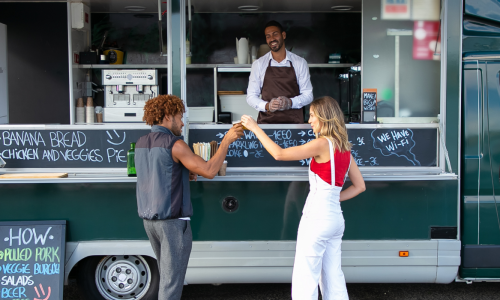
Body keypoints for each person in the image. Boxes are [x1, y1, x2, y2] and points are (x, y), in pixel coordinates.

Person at [241, 96, 366, 299]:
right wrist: (332, 198)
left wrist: (255, 128)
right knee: (333, 276)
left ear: (324, 118)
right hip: (335, 219)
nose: (309, 121)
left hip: (317, 219)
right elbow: (360, 186)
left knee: (305, 278)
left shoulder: (322, 144)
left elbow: (279, 154)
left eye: (312, 116)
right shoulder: (345, 148)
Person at [135, 94, 243, 300]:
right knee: (171, 285)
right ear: (168, 116)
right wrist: (227, 140)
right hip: (172, 223)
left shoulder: (141, 143)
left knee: (167, 278)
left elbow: (159, 174)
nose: (183, 122)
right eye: (179, 116)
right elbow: (210, 170)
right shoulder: (174, 144)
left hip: (150, 222)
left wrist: (184, 173)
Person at [246, 20, 313, 124]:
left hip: (294, 125)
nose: (272, 39)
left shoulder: (299, 62)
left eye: (275, 34)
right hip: (267, 125)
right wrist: (267, 106)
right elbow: (251, 96)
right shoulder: (259, 64)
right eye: (268, 36)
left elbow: (308, 95)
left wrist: (290, 102)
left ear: (283, 35)